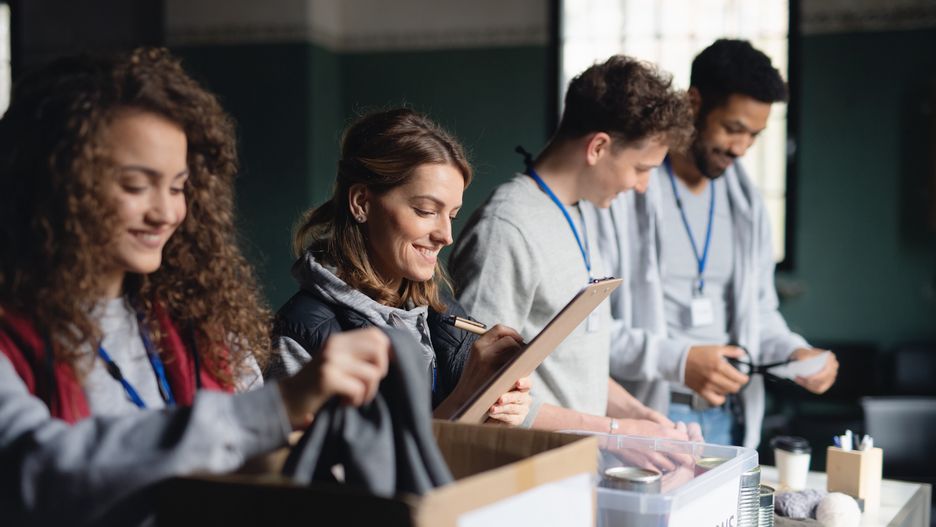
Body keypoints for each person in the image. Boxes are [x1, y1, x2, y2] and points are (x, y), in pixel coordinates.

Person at [0, 48, 393, 526]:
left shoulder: (197, 316)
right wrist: (273, 409)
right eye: (135, 185)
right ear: (56, 184)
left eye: (177, 186)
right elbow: (38, 474)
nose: (165, 213)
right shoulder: (10, 333)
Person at [592, 39, 839, 448]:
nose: (740, 148)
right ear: (694, 102)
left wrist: (794, 353)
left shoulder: (747, 205)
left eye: (754, 136)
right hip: (647, 415)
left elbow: (760, 312)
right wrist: (681, 361)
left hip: (729, 417)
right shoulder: (624, 192)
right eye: (733, 128)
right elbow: (593, 330)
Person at [450, 55, 699, 440]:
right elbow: (482, 391)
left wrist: (638, 416)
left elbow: (572, 361)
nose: (642, 186)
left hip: (572, 468)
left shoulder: (580, 212)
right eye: (641, 169)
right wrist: (616, 431)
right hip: (523, 474)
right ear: (598, 146)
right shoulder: (506, 227)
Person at [268, 108, 533, 426]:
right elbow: (335, 474)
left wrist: (496, 412)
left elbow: (466, 450)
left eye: (451, 215)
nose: (446, 236)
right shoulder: (299, 336)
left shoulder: (444, 312)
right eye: (425, 210)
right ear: (362, 203)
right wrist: (465, 399)